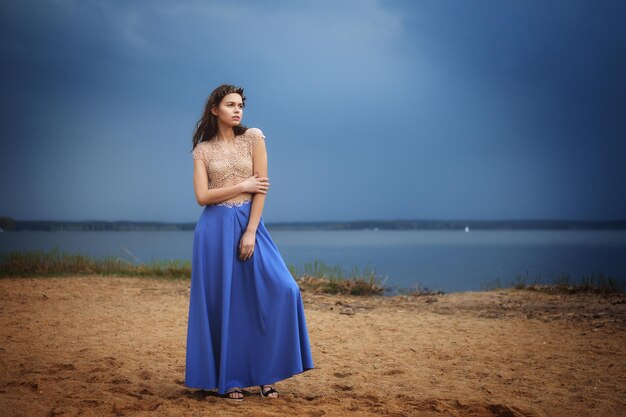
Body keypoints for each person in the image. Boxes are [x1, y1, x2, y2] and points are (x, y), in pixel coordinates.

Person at [184, 84, 315, 402]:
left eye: (240, 104)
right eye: (230, 104)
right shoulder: (202, 150)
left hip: (248, 223)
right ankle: (230, 379)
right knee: (228, 306)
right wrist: (241, 184)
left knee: (284, 290)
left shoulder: (253, 138)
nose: (237, 109)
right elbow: (202, 196)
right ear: (214, 109)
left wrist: (251, 231)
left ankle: (266, 374)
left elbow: (262, 188)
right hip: (213, 231)